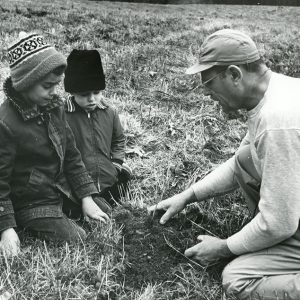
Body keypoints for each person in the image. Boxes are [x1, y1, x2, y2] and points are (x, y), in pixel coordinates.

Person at [148, 29, 300, 300]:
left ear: (234, 74)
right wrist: (187, 196)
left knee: (236, 279)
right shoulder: (277, 91)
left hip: (288, 221)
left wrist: (223, 247)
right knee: (245, 158)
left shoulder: (277, 121)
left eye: (209, 83)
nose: (207, 94)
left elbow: (279, 224)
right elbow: (239, 164)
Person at [0, 33, 110, 257]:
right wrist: (6, 228)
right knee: (77, 239)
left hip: (60, 187)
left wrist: (86, 197)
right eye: (48, 86)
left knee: (104, 211)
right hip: (31, 202)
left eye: (57, 85)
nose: (54, 92)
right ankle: (22, 222)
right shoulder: (6, 124)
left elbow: (72, 155)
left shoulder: (54, 107)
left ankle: (72, 207)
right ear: (25, 82)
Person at [63, 49, 131, 207]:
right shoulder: (63, 115)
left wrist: (116, 162)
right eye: (84, 94)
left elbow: (119, 139)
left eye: (97, 92)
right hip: (78, 181)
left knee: (120, 192)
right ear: (73, 92)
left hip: (107, 175)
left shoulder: (109, 112)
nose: (92, 99)